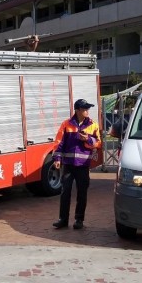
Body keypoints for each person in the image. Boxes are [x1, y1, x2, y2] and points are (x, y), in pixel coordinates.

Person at [52, 98, 102, 230]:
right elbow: (59, 143)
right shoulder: (66, 124)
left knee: (82, 193)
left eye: (87, 109)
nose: (87, 111)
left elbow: (98, 143)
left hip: (83, 165)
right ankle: (63, 219)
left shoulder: (93, 125)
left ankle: (79, 220)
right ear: (78, 110)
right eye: (85, 109)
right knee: (65, 192)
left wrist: (88, 139)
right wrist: (57, 159)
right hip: (68, 164)